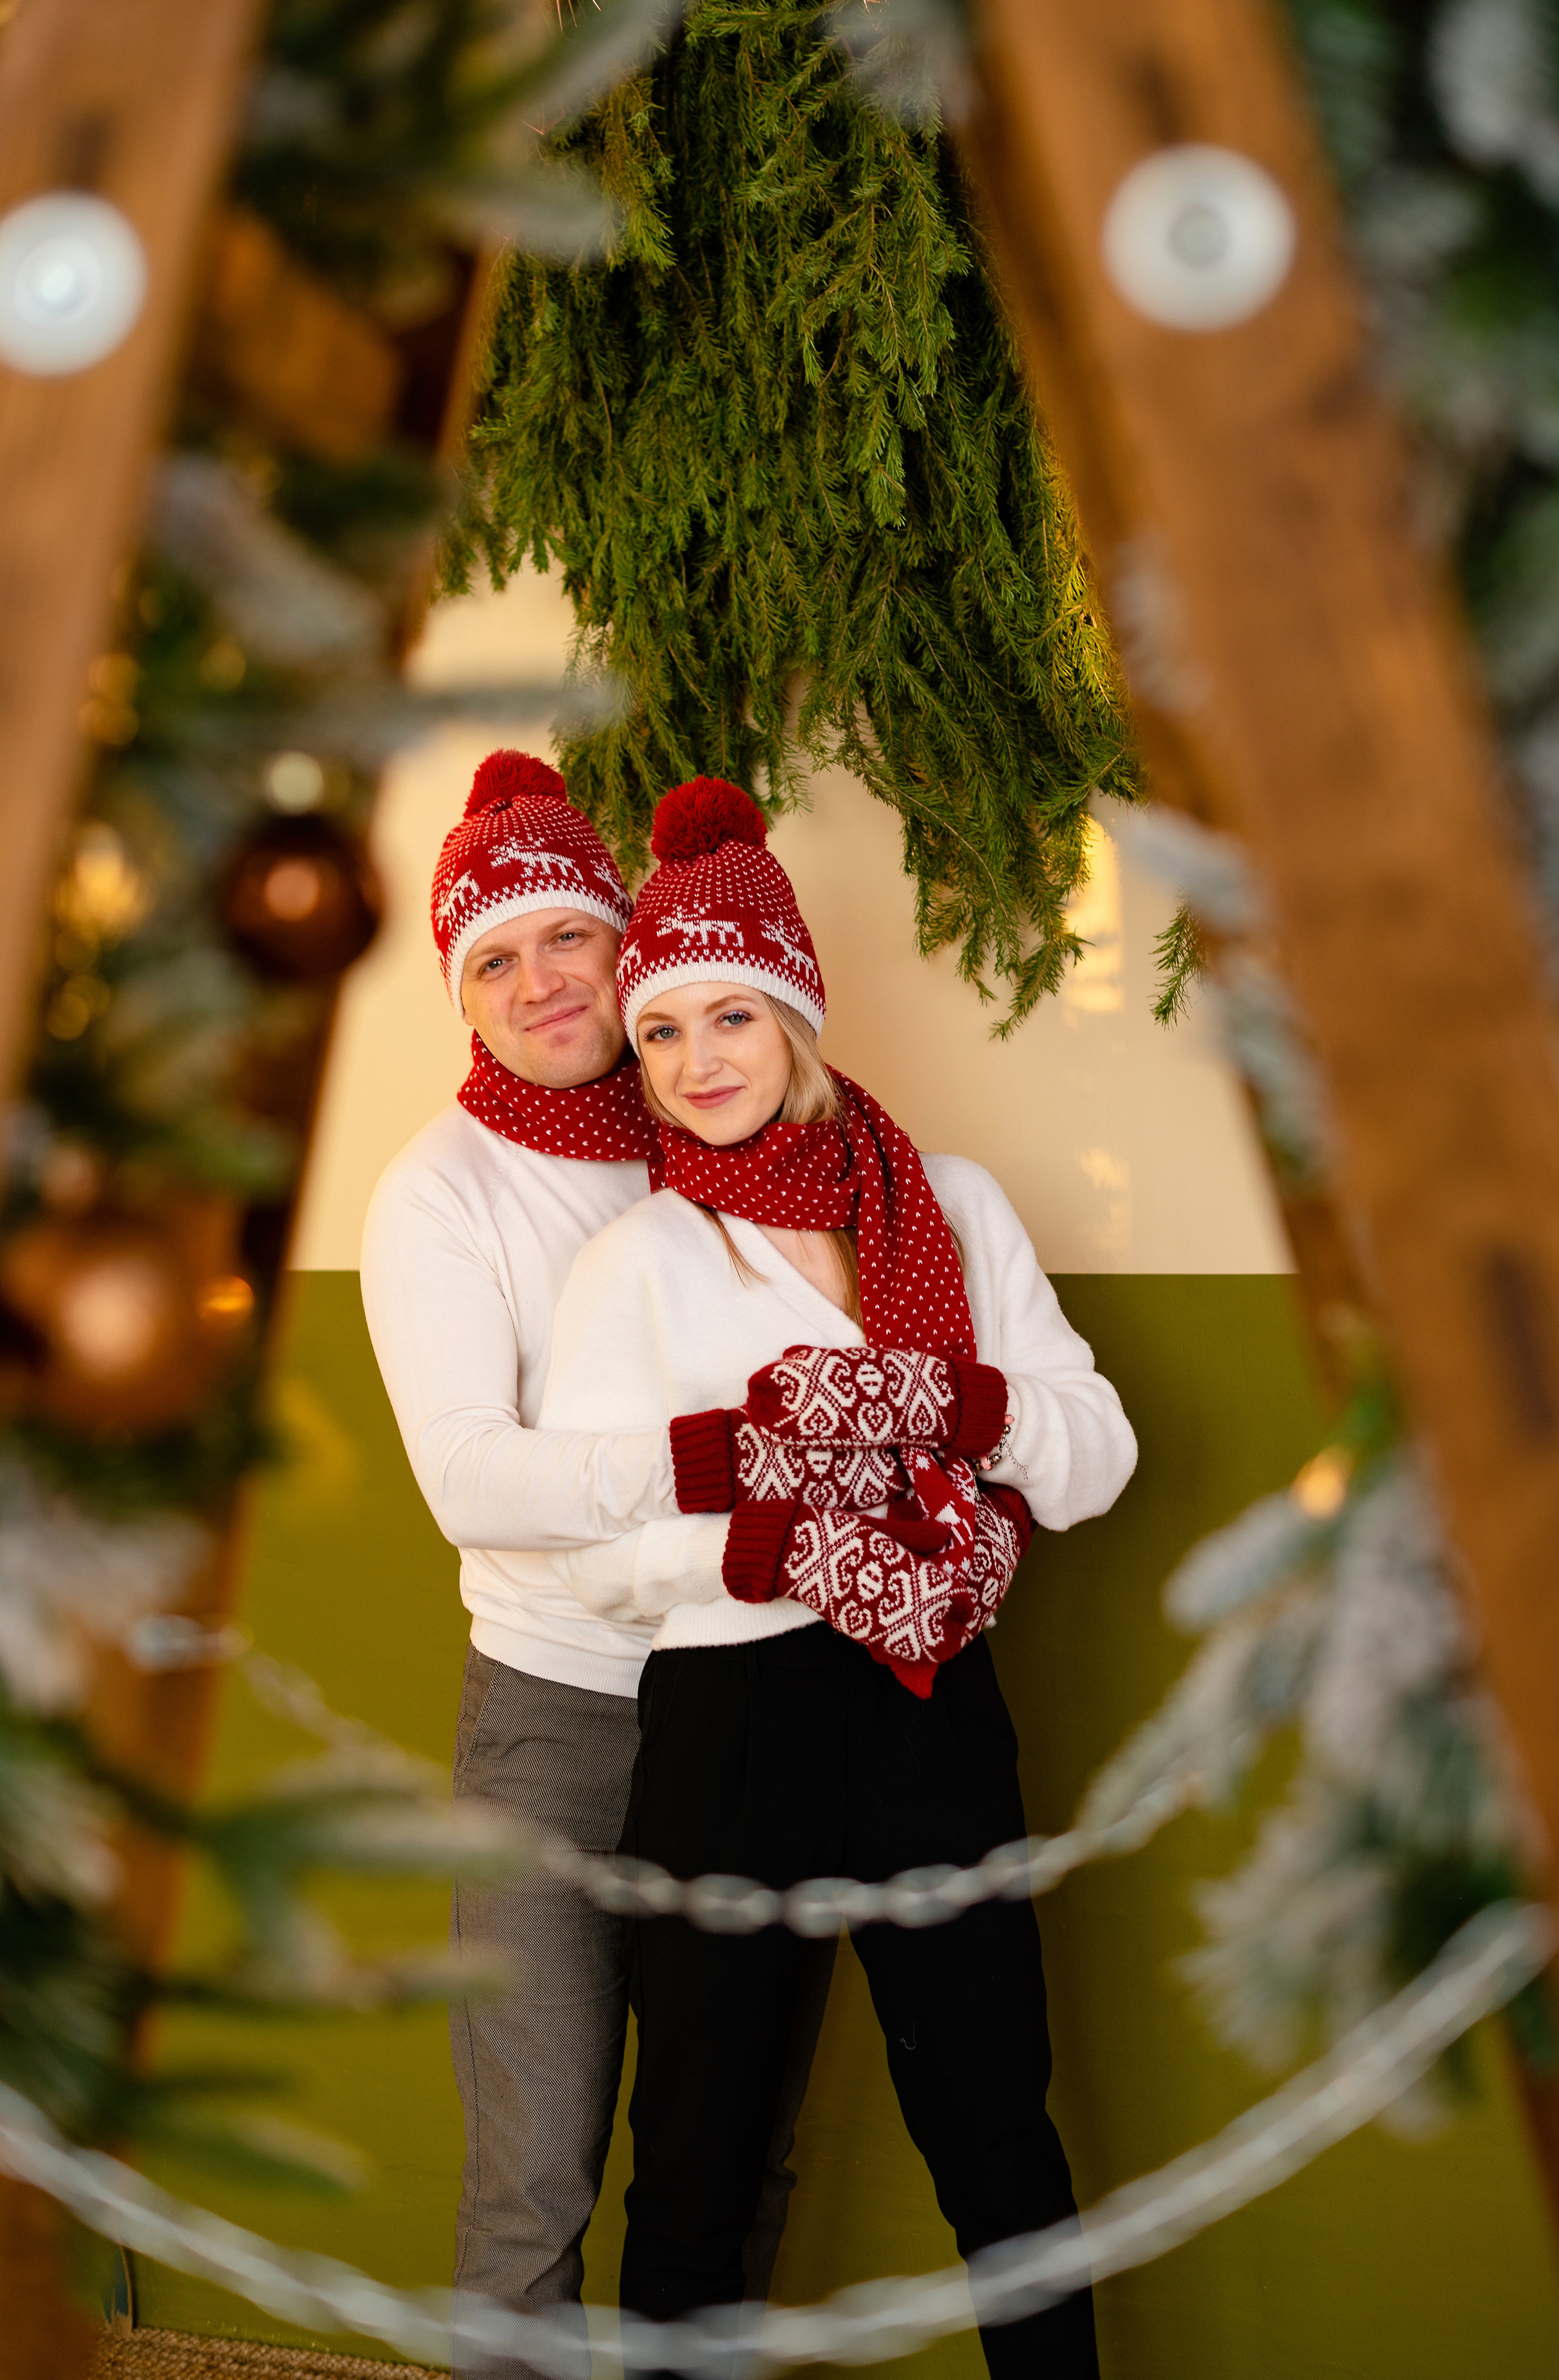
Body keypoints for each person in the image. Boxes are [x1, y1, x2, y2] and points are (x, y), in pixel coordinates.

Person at [536, 777, 1138, 2377]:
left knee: (999, 2136)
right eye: (658, 1033)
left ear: (797, 1013)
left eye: (731, 1015)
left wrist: (959, 1405)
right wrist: (776, 1532)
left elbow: (1092, 1459)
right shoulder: (638, 1264)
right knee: (695, 2169)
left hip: (934, 1709)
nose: (696, 1061)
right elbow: (592, 1560)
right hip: (732, 1725)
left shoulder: (949, 1211)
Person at [361, 751, 894, 2369]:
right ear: (464, 995)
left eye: (564, 941)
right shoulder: (441, 1192)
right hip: (555, 1723)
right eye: (493, 960)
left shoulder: (720, 1124)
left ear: (623, 941)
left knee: (725, 2164)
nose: (538, 985)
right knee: (532, 2177)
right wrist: (715, 1466)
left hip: (755, 1701)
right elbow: (469, 1477)